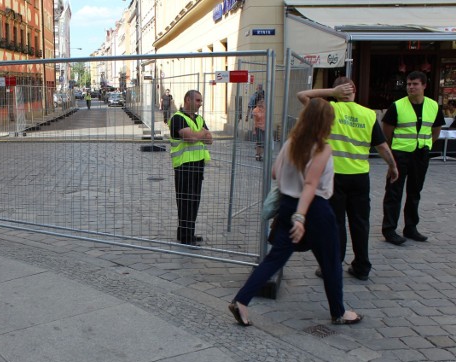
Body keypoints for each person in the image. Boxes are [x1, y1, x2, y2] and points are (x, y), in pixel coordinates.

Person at [228, 98, 362, 326]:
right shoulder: (322, 147)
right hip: (315, 209)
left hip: (288, 204)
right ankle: (338, 312)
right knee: (330, 261)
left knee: (274, 259)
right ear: (326, 122)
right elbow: (311, 184)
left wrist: (293, 191)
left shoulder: (291, 143)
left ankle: (241, 301)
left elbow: (273, 173)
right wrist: (301, 217)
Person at [296, 77, 399, 281]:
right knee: (360, 222)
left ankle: (334, 265)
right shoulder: (367, 114)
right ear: (355, 90)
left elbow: (302, 96)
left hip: (334, 177)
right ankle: (362, 267)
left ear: (337, 90)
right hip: (360, 176)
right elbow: (382, 146)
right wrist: (393, 166)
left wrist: (331, 92)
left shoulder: (329, 110)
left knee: (336, 223)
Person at [381, 71, 445, 245]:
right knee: (394, 192)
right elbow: (387, 132)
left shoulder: (433, 106)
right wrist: (391, 157)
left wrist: (426, 145)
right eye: (409, 84)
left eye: (415, 84)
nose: (411, 87)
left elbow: (436, 130)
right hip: (400, 154)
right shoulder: (398, 106)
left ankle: (411, 227)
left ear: (424, 86)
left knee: (414, 192)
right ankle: (389, 230)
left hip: (421, 154)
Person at [169, 90, 213, 246]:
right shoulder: (178, 118)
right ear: (188, 100)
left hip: (198, 165)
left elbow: (209, 139)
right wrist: (200, 133)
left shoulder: (199, 118)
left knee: (194, 200)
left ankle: (188, 233)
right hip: (184, 166)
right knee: (185, 201)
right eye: (198, 100)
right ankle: (186, 236)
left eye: (201, 100)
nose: (201, 103)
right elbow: (190, 137)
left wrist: (198, 134)